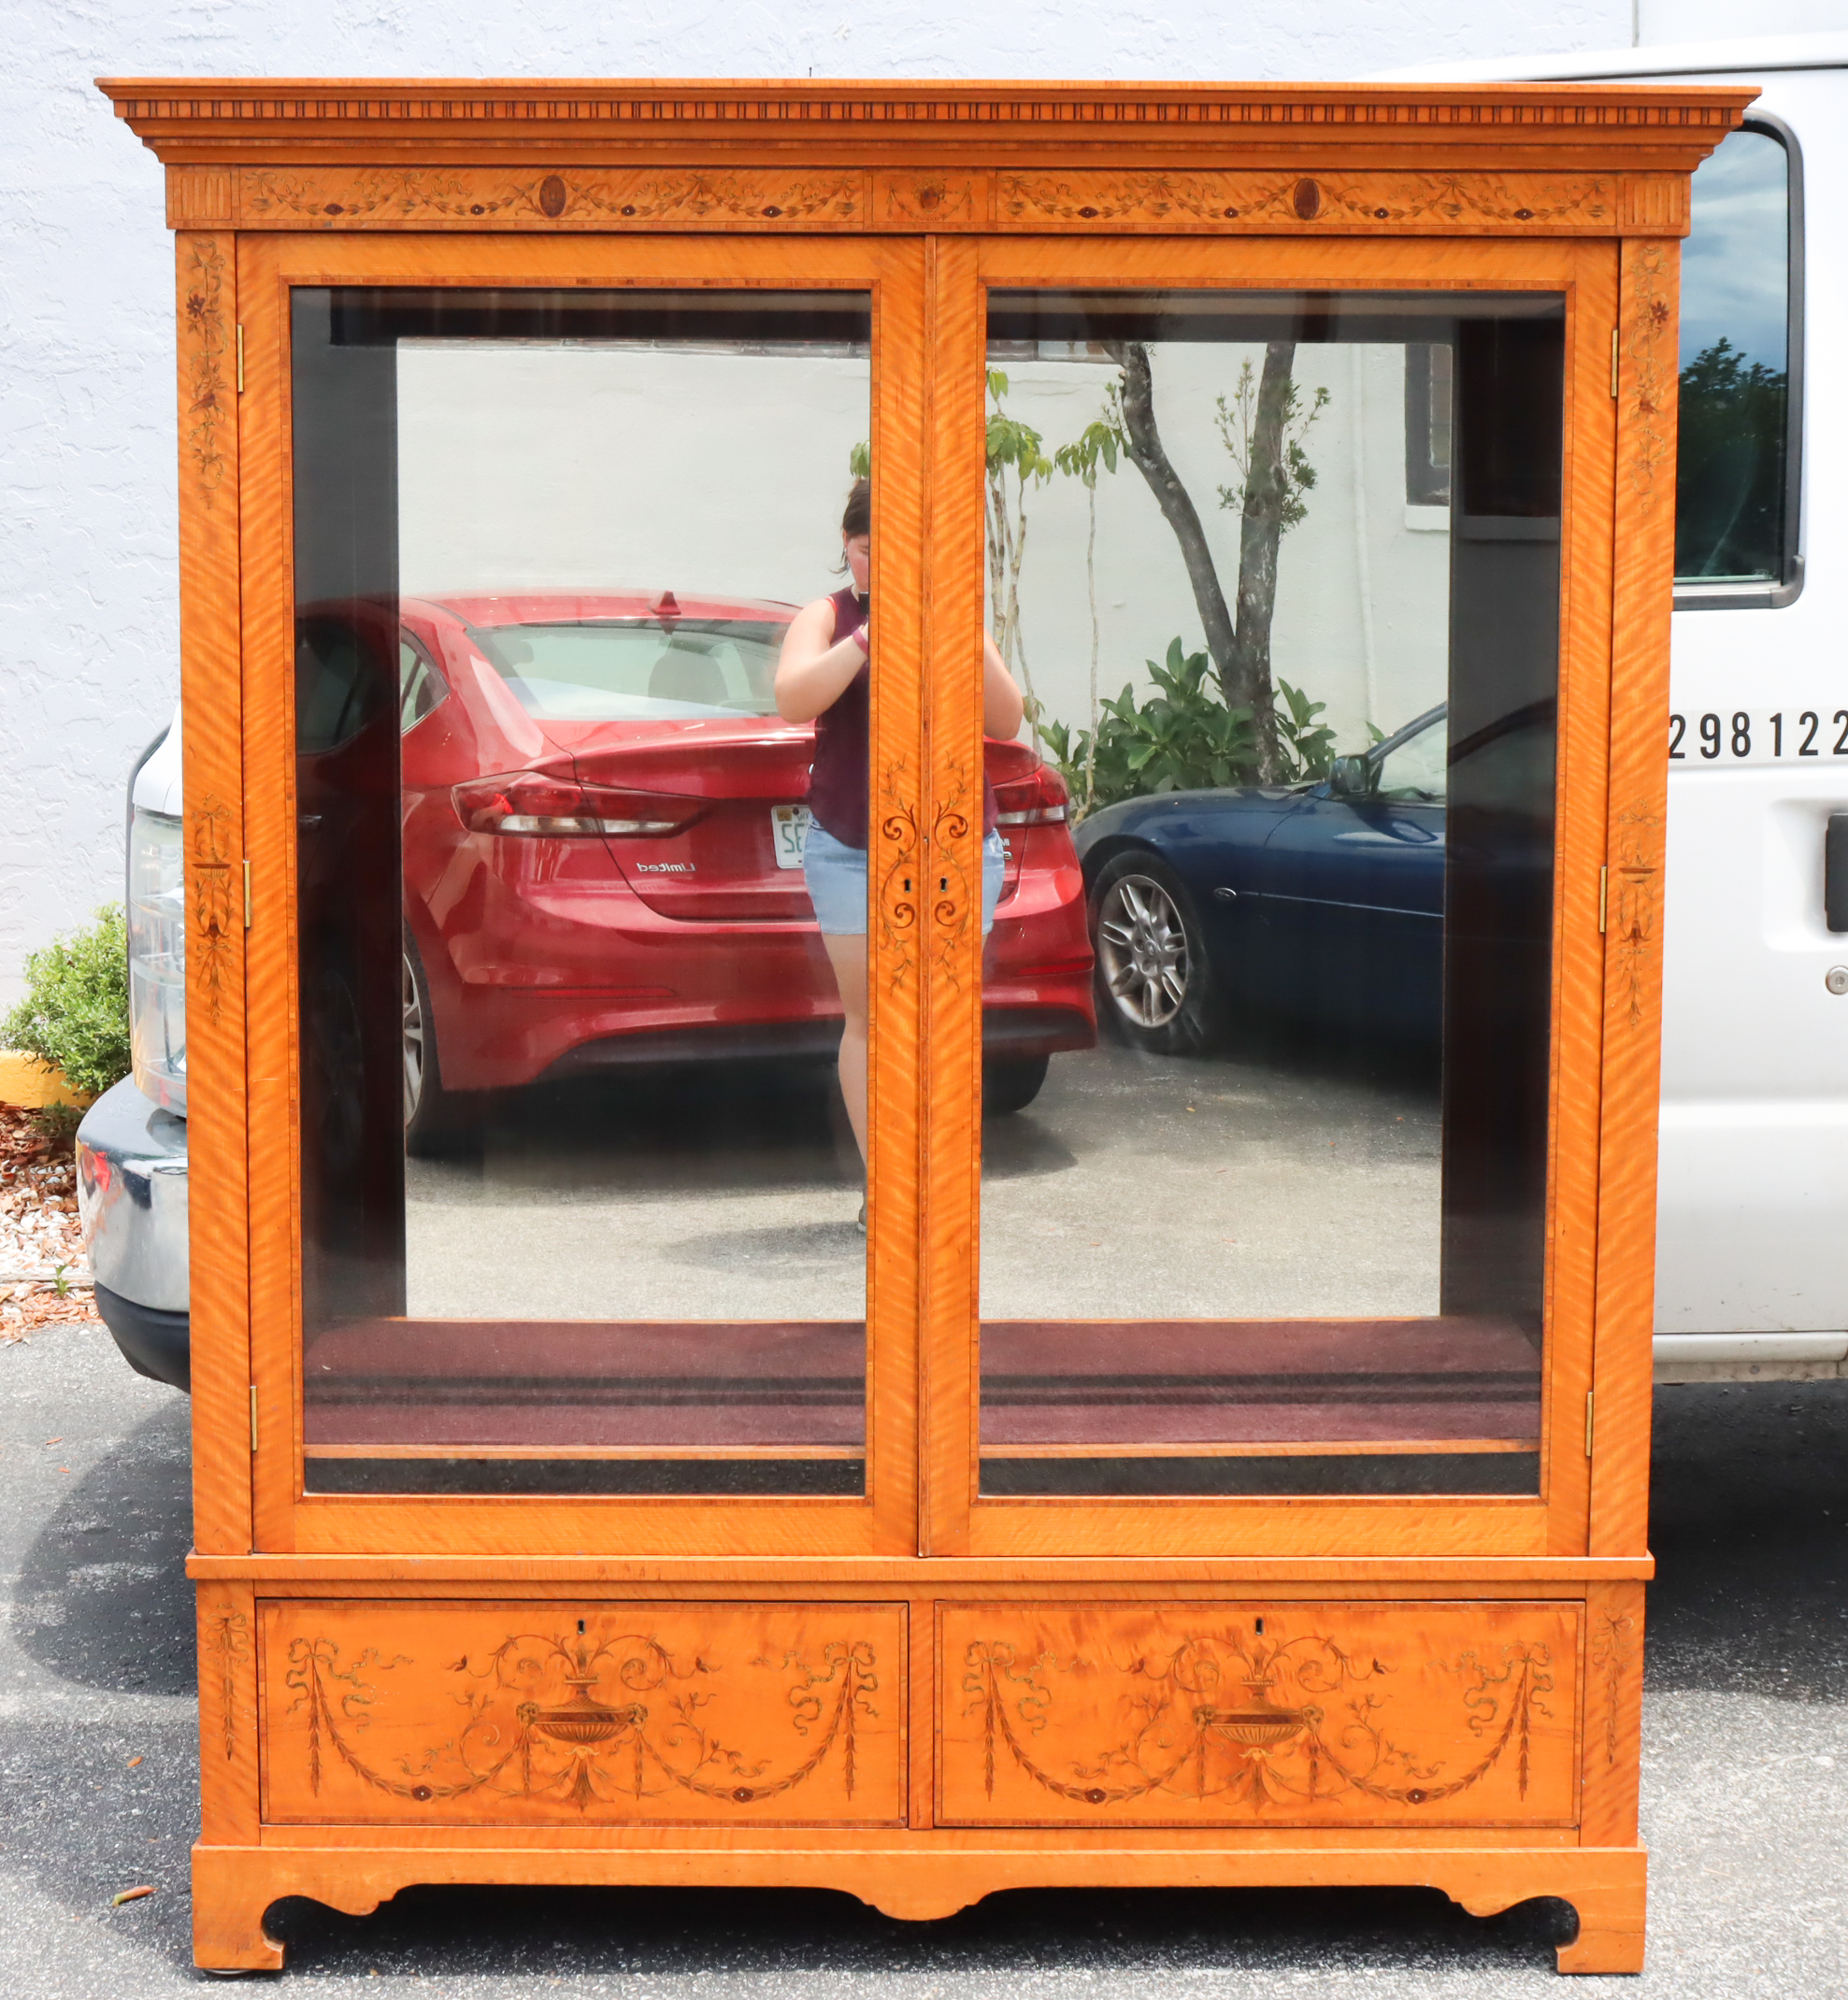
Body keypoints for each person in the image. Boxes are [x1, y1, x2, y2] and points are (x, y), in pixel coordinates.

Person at [776, 479, 1024, 1201]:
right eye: (863, 551)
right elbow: (795, 700)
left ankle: (939, 1188)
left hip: (952, 843)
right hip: (850, 843)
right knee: (872, 1019)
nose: (877, 565)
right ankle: (884, 1189)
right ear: (846, 549)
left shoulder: (958, 613)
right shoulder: (825, 616)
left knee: (943, 1012)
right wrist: (864, 638)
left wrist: (955, 624)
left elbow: (1004, 721)